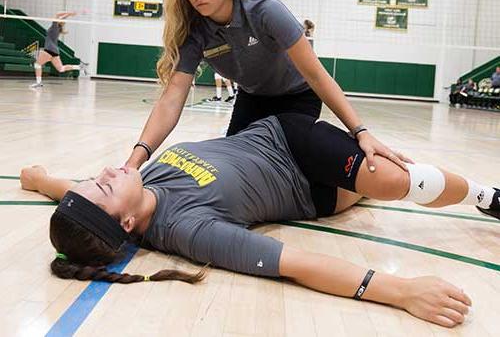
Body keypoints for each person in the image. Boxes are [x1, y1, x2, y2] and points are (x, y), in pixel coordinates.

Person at [21, 114, 499, 328]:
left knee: (391, 175)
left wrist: (39, 178)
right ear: (126, 225)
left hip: (280, 132)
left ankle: (418, 181)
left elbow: (72, 193)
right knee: (398, 181)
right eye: (102, 184)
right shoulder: (190, 229)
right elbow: (297, 262)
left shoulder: (120, 198)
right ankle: (486, 196)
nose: (106, 171)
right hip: (313, 189)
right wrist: (402, 291)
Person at [124, 0, 411, 174]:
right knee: (232, 166)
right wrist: (134, 162)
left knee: (289, 166)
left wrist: (360, 131)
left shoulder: (264, 11)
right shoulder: (196, 31)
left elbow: (316, 75)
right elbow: (172, 98)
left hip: (297, 97)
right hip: (253, 99)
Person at [30, 11, 85, 88]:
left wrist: (69, 13)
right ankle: (79, 67)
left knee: (37, 64)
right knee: (61, 69)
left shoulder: (54, 26)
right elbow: (62, 18)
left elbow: (57, 14)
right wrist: (69, 15)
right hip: (55, 51)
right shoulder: (58, 28)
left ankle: (39, 83)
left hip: (49, 49)